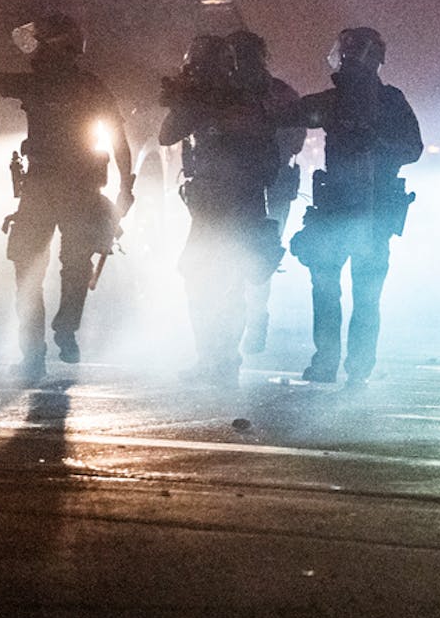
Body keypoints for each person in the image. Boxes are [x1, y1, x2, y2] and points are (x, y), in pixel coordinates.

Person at [0, 13, 134, 383]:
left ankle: (36, 353)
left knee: (30, 271)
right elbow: (118, 137)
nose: (33, 51)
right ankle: (63, 332)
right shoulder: (88, 86)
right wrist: (124, 188)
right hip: (76, 190)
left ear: (56, 47)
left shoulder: (41, 85)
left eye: (40, 43)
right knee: (73, 266)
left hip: (46, 190)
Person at [285, 28, 422, 387]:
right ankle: (330, 361)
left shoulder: (390, 102)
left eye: (352, 56)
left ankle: (356, 366)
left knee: (362, 293)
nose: (347, 62)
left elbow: (413, 147)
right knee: (328, 286)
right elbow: (296, 113)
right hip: (336, 210)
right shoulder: (336, 100)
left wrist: (376, 141)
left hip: (373, 211)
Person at [160, 35, 287, 388]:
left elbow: (255, 143)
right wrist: (186, 101)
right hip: (208, 207)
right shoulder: (202, 100)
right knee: (198, 280)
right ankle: (210, 358)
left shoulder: (242, 99)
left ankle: (225, 360)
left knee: (229, 284)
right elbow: (167, 135)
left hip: (239, 203)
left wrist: (199, 103)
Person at [225, 30, 306, 356]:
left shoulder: (234, 93)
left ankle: (250, 322)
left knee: (250, 255)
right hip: (262, 186)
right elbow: (296, 138)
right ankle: (251, 322)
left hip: (256, 186)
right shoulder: (280, 93)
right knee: (258, 254)